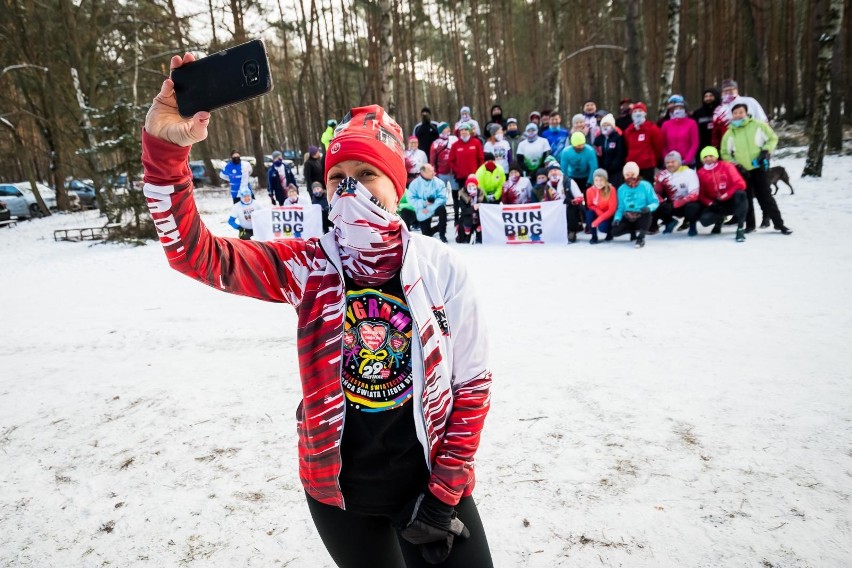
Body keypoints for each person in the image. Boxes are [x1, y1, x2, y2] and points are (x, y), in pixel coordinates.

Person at [143, 54, 494, 568]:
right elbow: (193, 253)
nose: (349, 189)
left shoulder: (443, 270)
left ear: (396, 187)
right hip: (338, 495)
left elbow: (472, 388)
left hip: (429, 490)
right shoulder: (307, 266)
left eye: (366, 174)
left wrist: (443, 499)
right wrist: (164, 149)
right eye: (337, 178)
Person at [720, 103, 792, 235]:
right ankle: (750, 225)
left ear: (746, 113)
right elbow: (724, 152)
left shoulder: (758, 125)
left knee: (765, 196)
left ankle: (779, 224)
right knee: (746, 198)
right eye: (735, 113)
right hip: (741, 170)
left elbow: (772, 138)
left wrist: (765, 151)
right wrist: (735, 164)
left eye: (740, 112)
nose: (738, 115)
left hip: (758, 167)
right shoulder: (730, 132)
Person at [696, 146, 749, 242]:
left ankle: (740, 228)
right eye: (705, 156)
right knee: (704, 220)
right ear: (702, 159)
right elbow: (701, 194)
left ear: (716, 157)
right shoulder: (700, 173)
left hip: (731, 199)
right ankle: (719, 220)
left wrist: (726, 195)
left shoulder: (726, 166)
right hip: (716, 204)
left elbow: (741, 184)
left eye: (711, 156)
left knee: (741, 195)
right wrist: (710, 203)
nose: (708, 159)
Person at [611, 161, 659, 248]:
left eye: (632, 174)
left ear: (636, 174)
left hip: (641, 213)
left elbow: (655, 202)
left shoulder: (645, 185)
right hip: (628, 214)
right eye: (627, 174)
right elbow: (621, 207)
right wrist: (617, 218)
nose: (630, 177)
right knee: (614, 231)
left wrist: (649, 208)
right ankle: (632, 231)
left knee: (646, 215)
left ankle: (641, 237)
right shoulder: (621, 189)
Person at [652, 151, 701, 236]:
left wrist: (678, 203)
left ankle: (692, 225)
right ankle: (669, 222)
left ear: (679, 162)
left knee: (693, 207)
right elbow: (656, 192)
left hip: (686, 203)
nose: (670, 164)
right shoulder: (662, 174)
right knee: (653, 203)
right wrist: (662, 202)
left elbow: (694, 195)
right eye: (667, 162)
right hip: (672, 203)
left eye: (673, 162)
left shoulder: (689, 173)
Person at [711, 78, 768, 149]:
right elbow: (716, 131)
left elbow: (763, 121)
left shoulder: (750, 102)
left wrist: (765, 143)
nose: (728, 92)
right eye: (725, 91)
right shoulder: (719, 109)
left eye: (731, 89)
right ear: (722, 93)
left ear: (736, 90)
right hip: (730, 147)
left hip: (753, 144)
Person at [448, 123, 484, 223]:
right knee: (464, 199)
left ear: (469, 131)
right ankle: (464, 219)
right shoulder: (455, 145)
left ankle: (477, 219)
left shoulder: (476, 142)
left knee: (476, 198)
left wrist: (478, 172)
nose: (464, 132)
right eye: (462, 130)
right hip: (461, 177)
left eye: (466, 130)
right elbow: (451, 161)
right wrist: (457, 170)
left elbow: (481, 158)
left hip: (475, 178)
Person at [407, 163, 448, 243]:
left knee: (442, 209)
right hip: (422, 210)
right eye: (430, 171)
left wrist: (429, 208)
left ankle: (442, 235)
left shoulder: (439, 182)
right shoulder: (414, 184)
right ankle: (437, 228)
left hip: (435, 206)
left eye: (433, 171)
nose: (433, 173)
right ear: (423, 173)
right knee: (427, 236)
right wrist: (424, 203)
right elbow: (411, 200)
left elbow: (442, 198)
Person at [623, 102, 663, 183]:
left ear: (644, 113)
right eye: (635, 111)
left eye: (640, 111)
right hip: (632, 165)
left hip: (647, 166)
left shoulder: (652, 128)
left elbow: (658, 146)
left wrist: (652, 159)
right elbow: (627, 146)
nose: (637, 113)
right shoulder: (628, 131)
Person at [545, 163, 584, 243]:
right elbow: (546, 201)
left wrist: (571, 201)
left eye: (555, 170)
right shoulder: (547, 186)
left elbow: (580, 198)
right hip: (556, 210)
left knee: (570, 210)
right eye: (551, 171)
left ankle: (572, 231)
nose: (553, 173)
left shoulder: (569, 181)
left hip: (569, 208)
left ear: (560, 171)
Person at [660, 95, 699, 167]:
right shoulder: (666, 124)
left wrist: (687, 160)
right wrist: (667, 158)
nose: (678, 110)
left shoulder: (692, 123)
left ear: (685, 110)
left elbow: (695, 143)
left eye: (681, 108)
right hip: (670, 162)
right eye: (676, 108)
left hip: (687, 162)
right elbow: (662, 144)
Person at [559, 131, 597, 197]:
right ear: (573, 145)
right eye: (578, 145)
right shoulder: (566, 152)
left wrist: (590, 181)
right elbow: (563, 168)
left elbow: (594, 167)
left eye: (583, 144)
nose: (581, 147)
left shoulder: (590, 151)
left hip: (586, 176)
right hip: (572, 176)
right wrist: (566, 181)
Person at [585, 169, 617, 244]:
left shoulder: (611, 189)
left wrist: (598, 220)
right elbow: (590, 205)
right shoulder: (589, 191)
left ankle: (609, 233)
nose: (598, 183)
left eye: (601, 180)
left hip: (608, 215)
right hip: (598, 213)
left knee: (603, 227)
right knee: (589, 213)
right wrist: (597, 211)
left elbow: (612, 210)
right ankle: (594, 236)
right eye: (596, 180)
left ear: (605, 180)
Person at [593, 113, 626, 187]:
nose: (605, 127)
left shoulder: (617, 137)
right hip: (602, 170)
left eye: (608, 125)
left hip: (615, 171)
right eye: (603, 125)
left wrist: (613, 166)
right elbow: (597, 153)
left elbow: (620, 154)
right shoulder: (598, 138)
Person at [691, 88, 721, 162]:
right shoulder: (697, 113)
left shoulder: (722, 111)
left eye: (711, 96)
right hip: (702, 149)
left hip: (719, 148)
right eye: (706, 96)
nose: (708, 98)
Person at [430, 122, 458, 193]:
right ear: (441, 130)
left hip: (453, 172)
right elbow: (432, 160)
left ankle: (456, 203)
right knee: (442, 192)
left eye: (448, 127)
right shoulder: (436, 143)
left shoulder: (454, 139)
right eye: (445, 128)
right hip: (441, 173)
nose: (448, 129)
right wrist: (434, 173)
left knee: (455, 191)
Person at [457, 175, 483, 244]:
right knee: (463, 239)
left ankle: (478, 231)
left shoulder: (481, 193)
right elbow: (464, 210)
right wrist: (473, 208)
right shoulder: (462, 194)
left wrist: (479, 207)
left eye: (473, 185)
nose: (472, 187)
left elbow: (485, 208)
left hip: (478, 217)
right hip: (467, 218)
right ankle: (467, 234)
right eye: (469, 185)